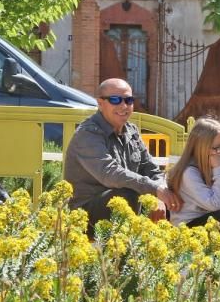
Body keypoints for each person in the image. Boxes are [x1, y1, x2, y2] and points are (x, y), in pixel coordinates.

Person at [64, 78, 181, 232]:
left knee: (176, 193)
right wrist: (154, 190)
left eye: (128, 100)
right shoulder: (88, 134)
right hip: (86, 214)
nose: (123, 106)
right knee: (127, 196)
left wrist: (160, 192)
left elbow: (152, 170)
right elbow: (110, 173)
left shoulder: (131, 131)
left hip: (126, 203)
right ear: (100, 103)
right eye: (115, 100)